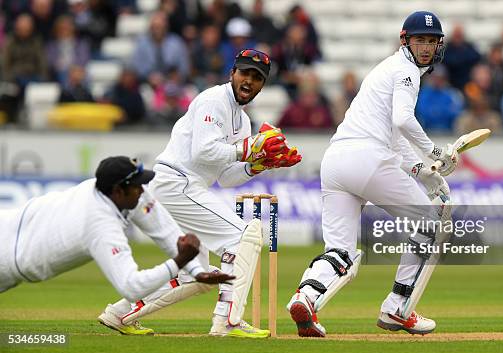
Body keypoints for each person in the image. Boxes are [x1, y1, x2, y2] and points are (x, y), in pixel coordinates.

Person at [285, 11, 458, 337]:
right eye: (420, 40)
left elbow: (394, 136)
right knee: (432, 222)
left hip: (336, 162)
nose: (425, 47)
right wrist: (437, 153)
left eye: (431, 41)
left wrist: (423, 171)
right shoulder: (407, 71)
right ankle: (397, 308)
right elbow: (403, 121)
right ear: (405, 41)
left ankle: (305, 298)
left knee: (341, 252)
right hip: (368, 160)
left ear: (439, 46)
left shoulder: (386, 68)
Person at [139, 49, 301, 338]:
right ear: (232, 74)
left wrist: (258, 166)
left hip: (185, 186)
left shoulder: (243, 121)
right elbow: (204, 151)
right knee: (244, 236)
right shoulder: (214, 100)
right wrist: (249, 149)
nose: (249, 81)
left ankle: (120, 314)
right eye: (244, 73)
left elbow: (226, 177)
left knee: (198, 276)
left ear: (263, 85)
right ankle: (228, 320)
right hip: (177, 182)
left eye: (256, 78)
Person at [0, 156, 233, 334]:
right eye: (137, 186)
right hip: (6, 261)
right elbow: (131, 287)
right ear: (118, 191)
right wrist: (179, 262)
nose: (143, 191)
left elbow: (164, 230)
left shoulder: (111, 189)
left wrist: (196, 271)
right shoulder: (100, 226)